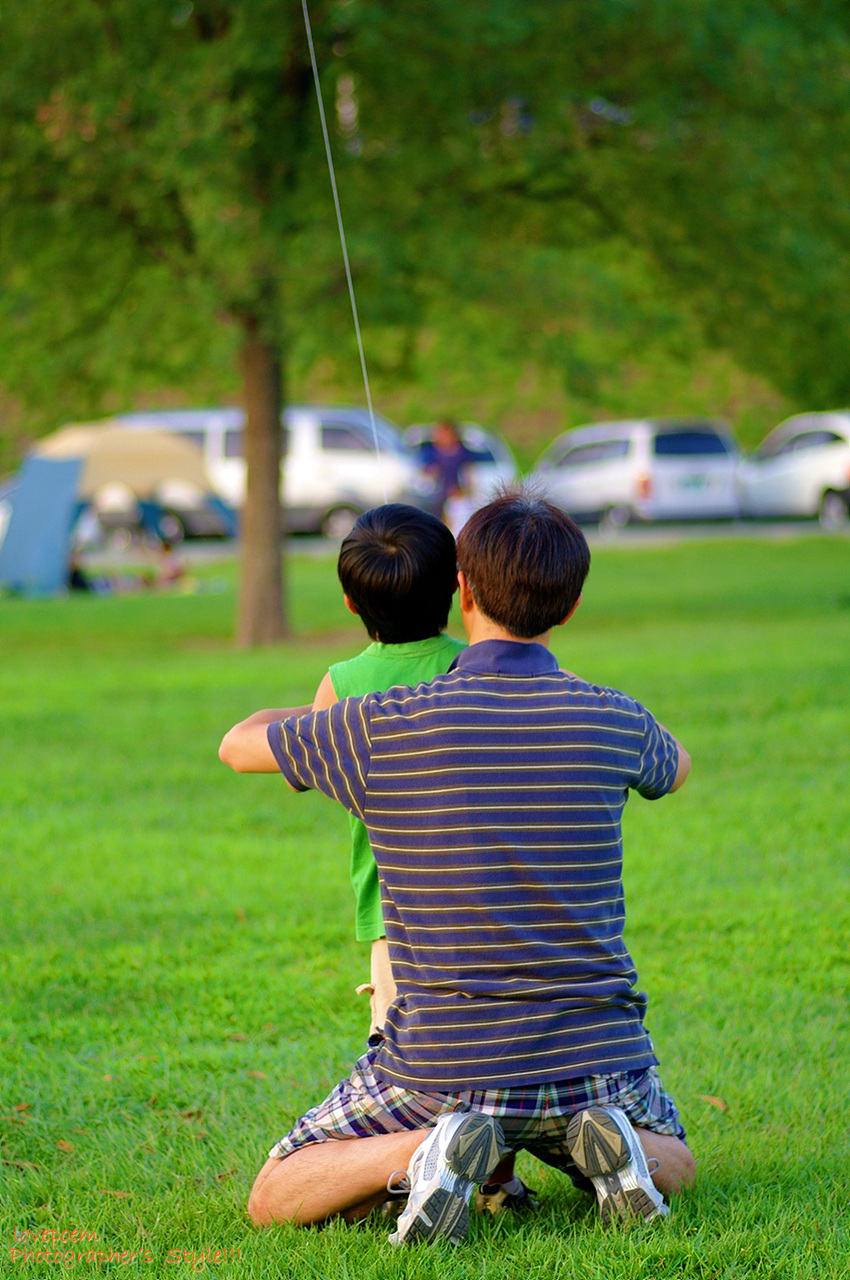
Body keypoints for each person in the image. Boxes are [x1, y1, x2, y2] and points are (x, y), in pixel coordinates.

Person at [219, 488, 696, 1245]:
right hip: (596, 1055)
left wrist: (319, 718)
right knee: (680, 1162)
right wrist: (601, 711)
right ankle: (611, 1146)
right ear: (570, 609)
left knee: (276, 1192)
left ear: (463, 591)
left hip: (444, 1059)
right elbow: (677, 765)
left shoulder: (388, 723)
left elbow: (241, 743)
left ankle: (428, 1145)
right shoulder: (614, 717)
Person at [225, 502, 532, 1213]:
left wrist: (299, 717)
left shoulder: (341, 683)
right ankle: (495, 1176)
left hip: (395, 916)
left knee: (404, 1049)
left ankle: (431, 1161)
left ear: (349, 601)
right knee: (493, 1041)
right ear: (459, 587)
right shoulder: (472, 667)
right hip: (491, 902)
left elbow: (289, 750)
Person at [419, 418, 480, 531]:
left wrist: (464, 491)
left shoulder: (463, 454)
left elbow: (469, 477)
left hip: (456, 499)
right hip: (437, 498)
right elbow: (425, 474)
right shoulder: (432, 453)